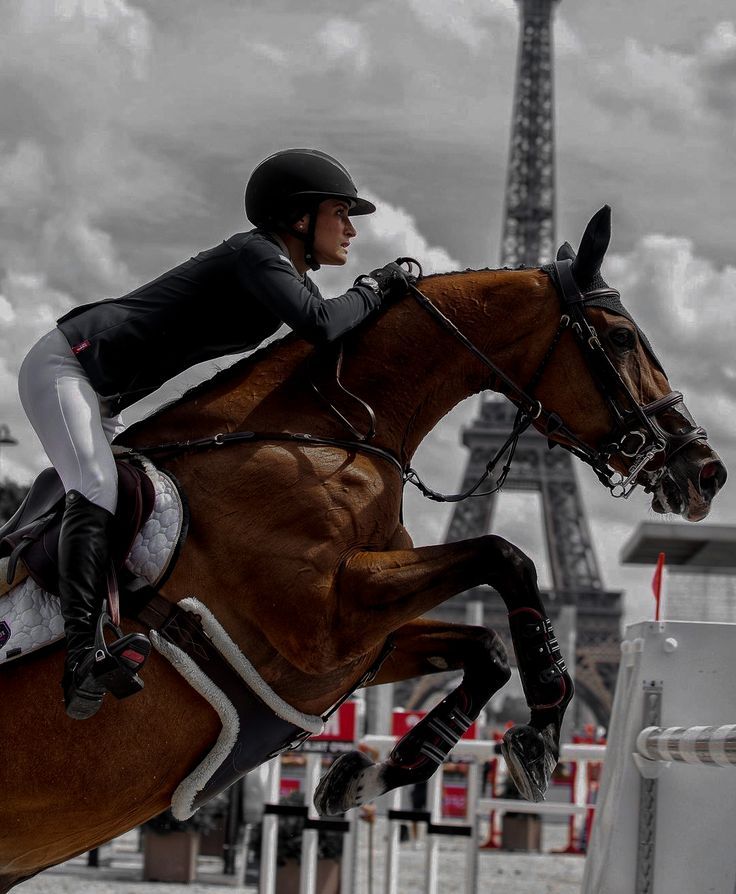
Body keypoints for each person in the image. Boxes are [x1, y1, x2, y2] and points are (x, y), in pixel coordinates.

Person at [17, 148, 414, 720]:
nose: (351, 228)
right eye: (340, 212)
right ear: (299, 217)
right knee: (98, 489)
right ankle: (81, 657)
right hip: (68, 367)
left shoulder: (280, 270)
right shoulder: (259, 254)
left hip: (104, 394)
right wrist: (377, 287)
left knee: (144, 501)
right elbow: (324, 325)